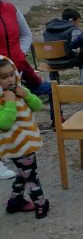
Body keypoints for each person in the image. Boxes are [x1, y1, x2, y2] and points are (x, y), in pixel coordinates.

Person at [0, 57, 49, 219]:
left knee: (24, 173)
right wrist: (9, 102)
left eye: (11, 75)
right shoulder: (4, 99)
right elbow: (5, 123)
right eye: (3, 77)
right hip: (15, 145)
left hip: (27, 141)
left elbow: (38, 106)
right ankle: (41, 205)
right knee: (31, 176)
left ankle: (15, 201)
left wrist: (27, 94)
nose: (9, 80)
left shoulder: (19, 91)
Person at [0, 0, 50, 100]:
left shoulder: (11, 8)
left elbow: (26, 34)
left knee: (49, 91)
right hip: (1, 76)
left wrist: (20, 53)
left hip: (18, 69)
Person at [42, 8, 82, 80]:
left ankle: (53, 81)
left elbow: (47, 47)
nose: (78, 24)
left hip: (50, 63)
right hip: (67, 62)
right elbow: (75, 49)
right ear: (72, 20)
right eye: (78, 21)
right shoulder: (74, 29)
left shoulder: (47, 29)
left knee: (52, 52)